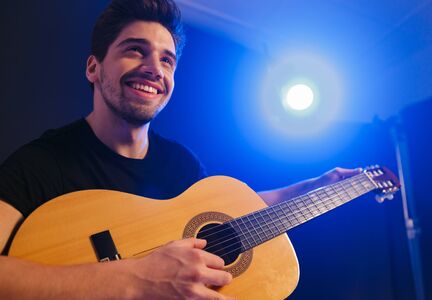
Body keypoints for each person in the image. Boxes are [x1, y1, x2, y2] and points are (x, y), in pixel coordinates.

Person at [0, 0, 361, 299]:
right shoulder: (42, 163)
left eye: (167, 60)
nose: (154, 68)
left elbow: (232, 216)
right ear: (93, 67)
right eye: (135, 50)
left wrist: (316, 187)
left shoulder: (179, 164)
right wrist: (132, 279)